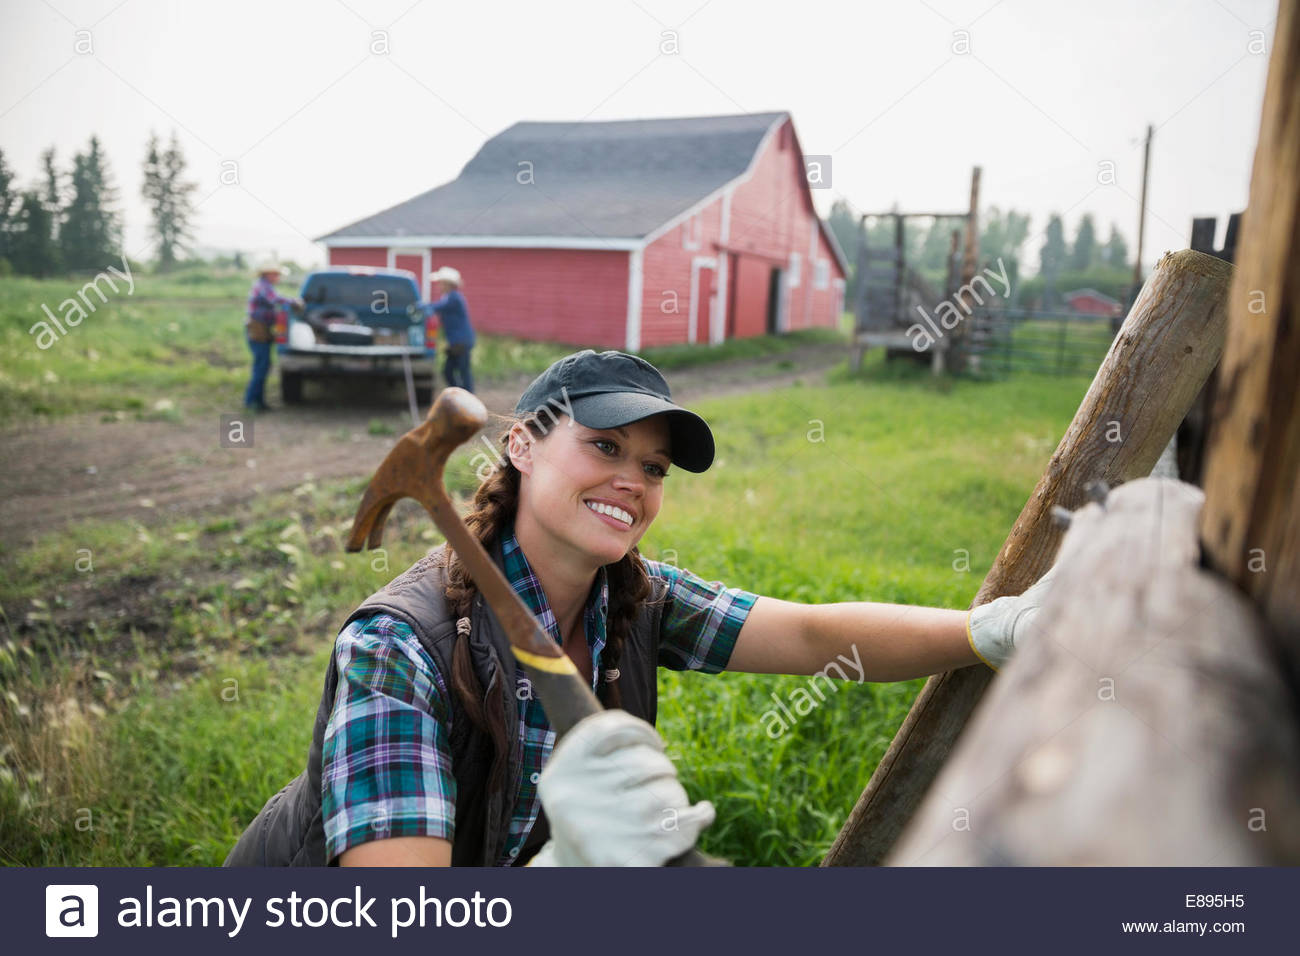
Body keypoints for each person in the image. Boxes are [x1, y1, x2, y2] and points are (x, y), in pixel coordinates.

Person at [224, 349, 1052, 868]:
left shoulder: (634, 597)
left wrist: (988, 630)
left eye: (654, 468)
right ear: (521, 443)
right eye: (606, 446)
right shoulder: (398, 645)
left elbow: (812, 634)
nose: (634, 480)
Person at [243, 260, 301, 411]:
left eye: (278, 274)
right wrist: (294, 301)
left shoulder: (266, 286)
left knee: (263, 365)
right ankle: (251, 402)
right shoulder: (263, 286)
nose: (277, 277)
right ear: (267, 274)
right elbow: (275, 299)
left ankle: (258, 402)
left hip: (263, 330)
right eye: (275, 274)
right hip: (258, 330)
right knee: (261, 366)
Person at [418, 266, 475, 393]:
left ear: (448, 284)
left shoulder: (454, 298)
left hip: (461, 342)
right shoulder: (449, 297)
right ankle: (459, 394)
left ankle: (468, 396)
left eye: (441, 283)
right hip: (456, 342)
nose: (439, 286)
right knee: (448, 371)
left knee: (463, 371)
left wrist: (425, 306)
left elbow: (438, 307)